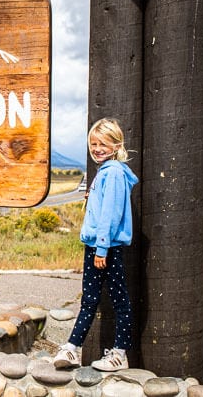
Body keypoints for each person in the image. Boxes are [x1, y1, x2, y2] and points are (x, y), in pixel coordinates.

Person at [53, 117, 138, 371]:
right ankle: (72, 348)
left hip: (106, 248)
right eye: (93, 144)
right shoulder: (106, 172)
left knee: (119, 301)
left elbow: (110, 215)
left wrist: (101, 249)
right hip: (98, 246)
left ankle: (118, 354)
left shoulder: (112, 173)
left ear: (116, 145)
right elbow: (105, 205)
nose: (97, 148)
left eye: (103, 143)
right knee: (90, 300)